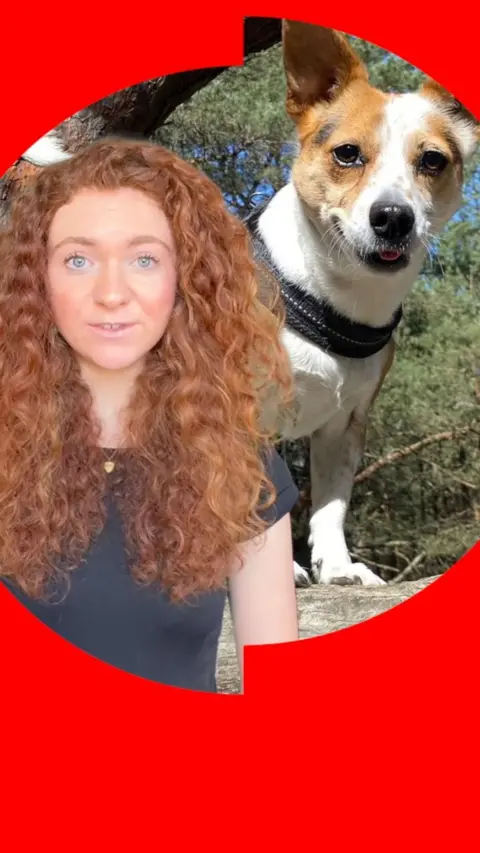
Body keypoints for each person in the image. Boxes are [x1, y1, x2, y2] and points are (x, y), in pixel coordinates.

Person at [0, 137, 300, 693]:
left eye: (143, 259)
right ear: (37, 281)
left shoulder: (242, 470)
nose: (111, 293)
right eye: (78, 259)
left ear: (183, 280)